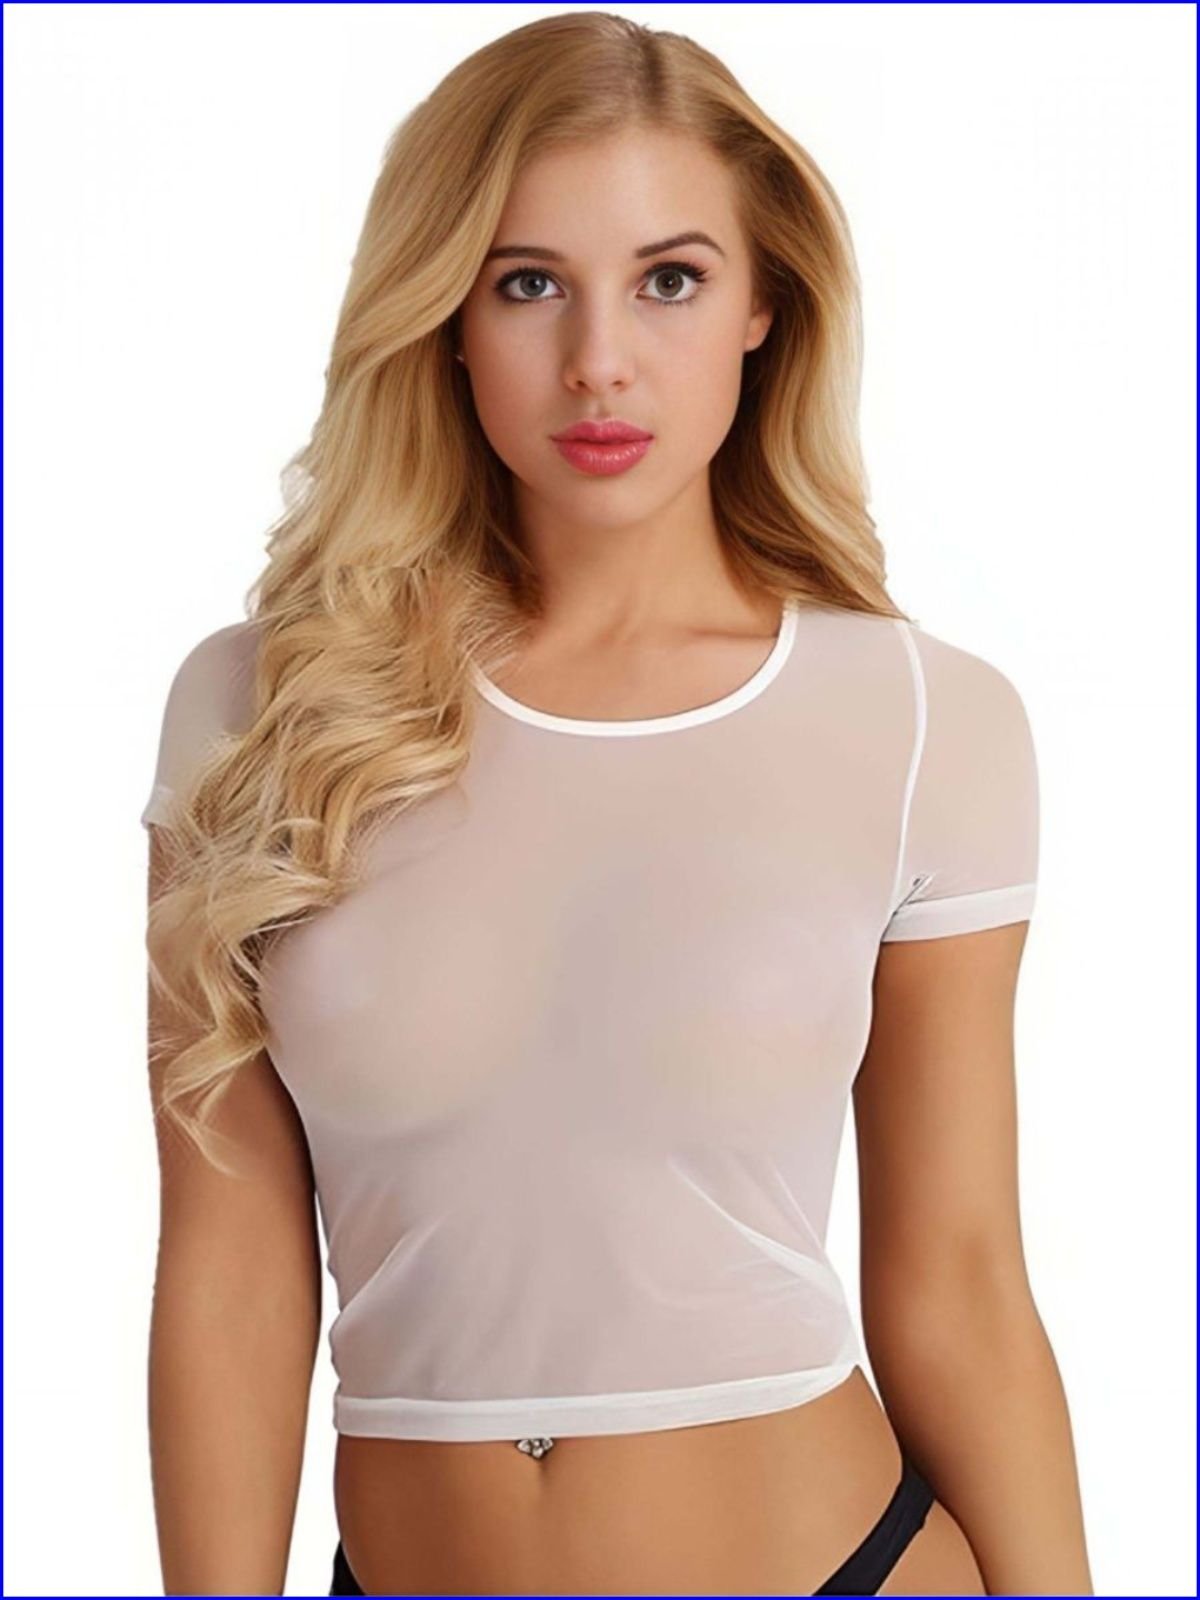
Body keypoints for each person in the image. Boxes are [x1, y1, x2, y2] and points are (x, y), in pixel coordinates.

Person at [141, 12, 1093, 1596]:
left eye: (670, 279)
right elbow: (228, 1272)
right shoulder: (264, 712)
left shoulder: (926, 721)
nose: (598, 359)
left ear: (763, 305)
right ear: (446, 315)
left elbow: (961, 1281)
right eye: (529, 284)